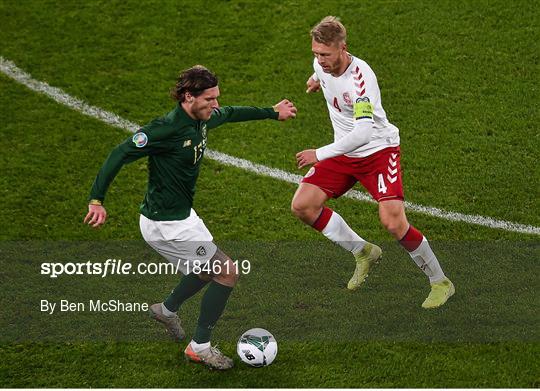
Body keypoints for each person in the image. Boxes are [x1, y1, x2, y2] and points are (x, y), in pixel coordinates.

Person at [84, 65, 297, 370]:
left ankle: (167, 310)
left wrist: (271, 112)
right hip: (165, 225)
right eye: (209, 99)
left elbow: (232, 113)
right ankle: (200, 347)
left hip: (183, 217)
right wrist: (97, 200)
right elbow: (119, 153)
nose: (216, 104)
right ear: (188, 96)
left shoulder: (202, 118)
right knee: (226, 272)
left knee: (205, 269)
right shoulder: (165, 129)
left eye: (216, 97)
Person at [292, 16, 454, 308]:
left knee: (392, 221)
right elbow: (320, 71)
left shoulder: (361, 79)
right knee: (303, 205)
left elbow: (363, 133)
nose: (320, 60)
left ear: (343, 48)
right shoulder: (321, 63)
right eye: (316, 53)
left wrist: (320, 153)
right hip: (344, 153)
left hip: (378, 152)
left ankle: (440, 281)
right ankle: (363, 251)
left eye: (325, 55)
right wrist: (316, 78)